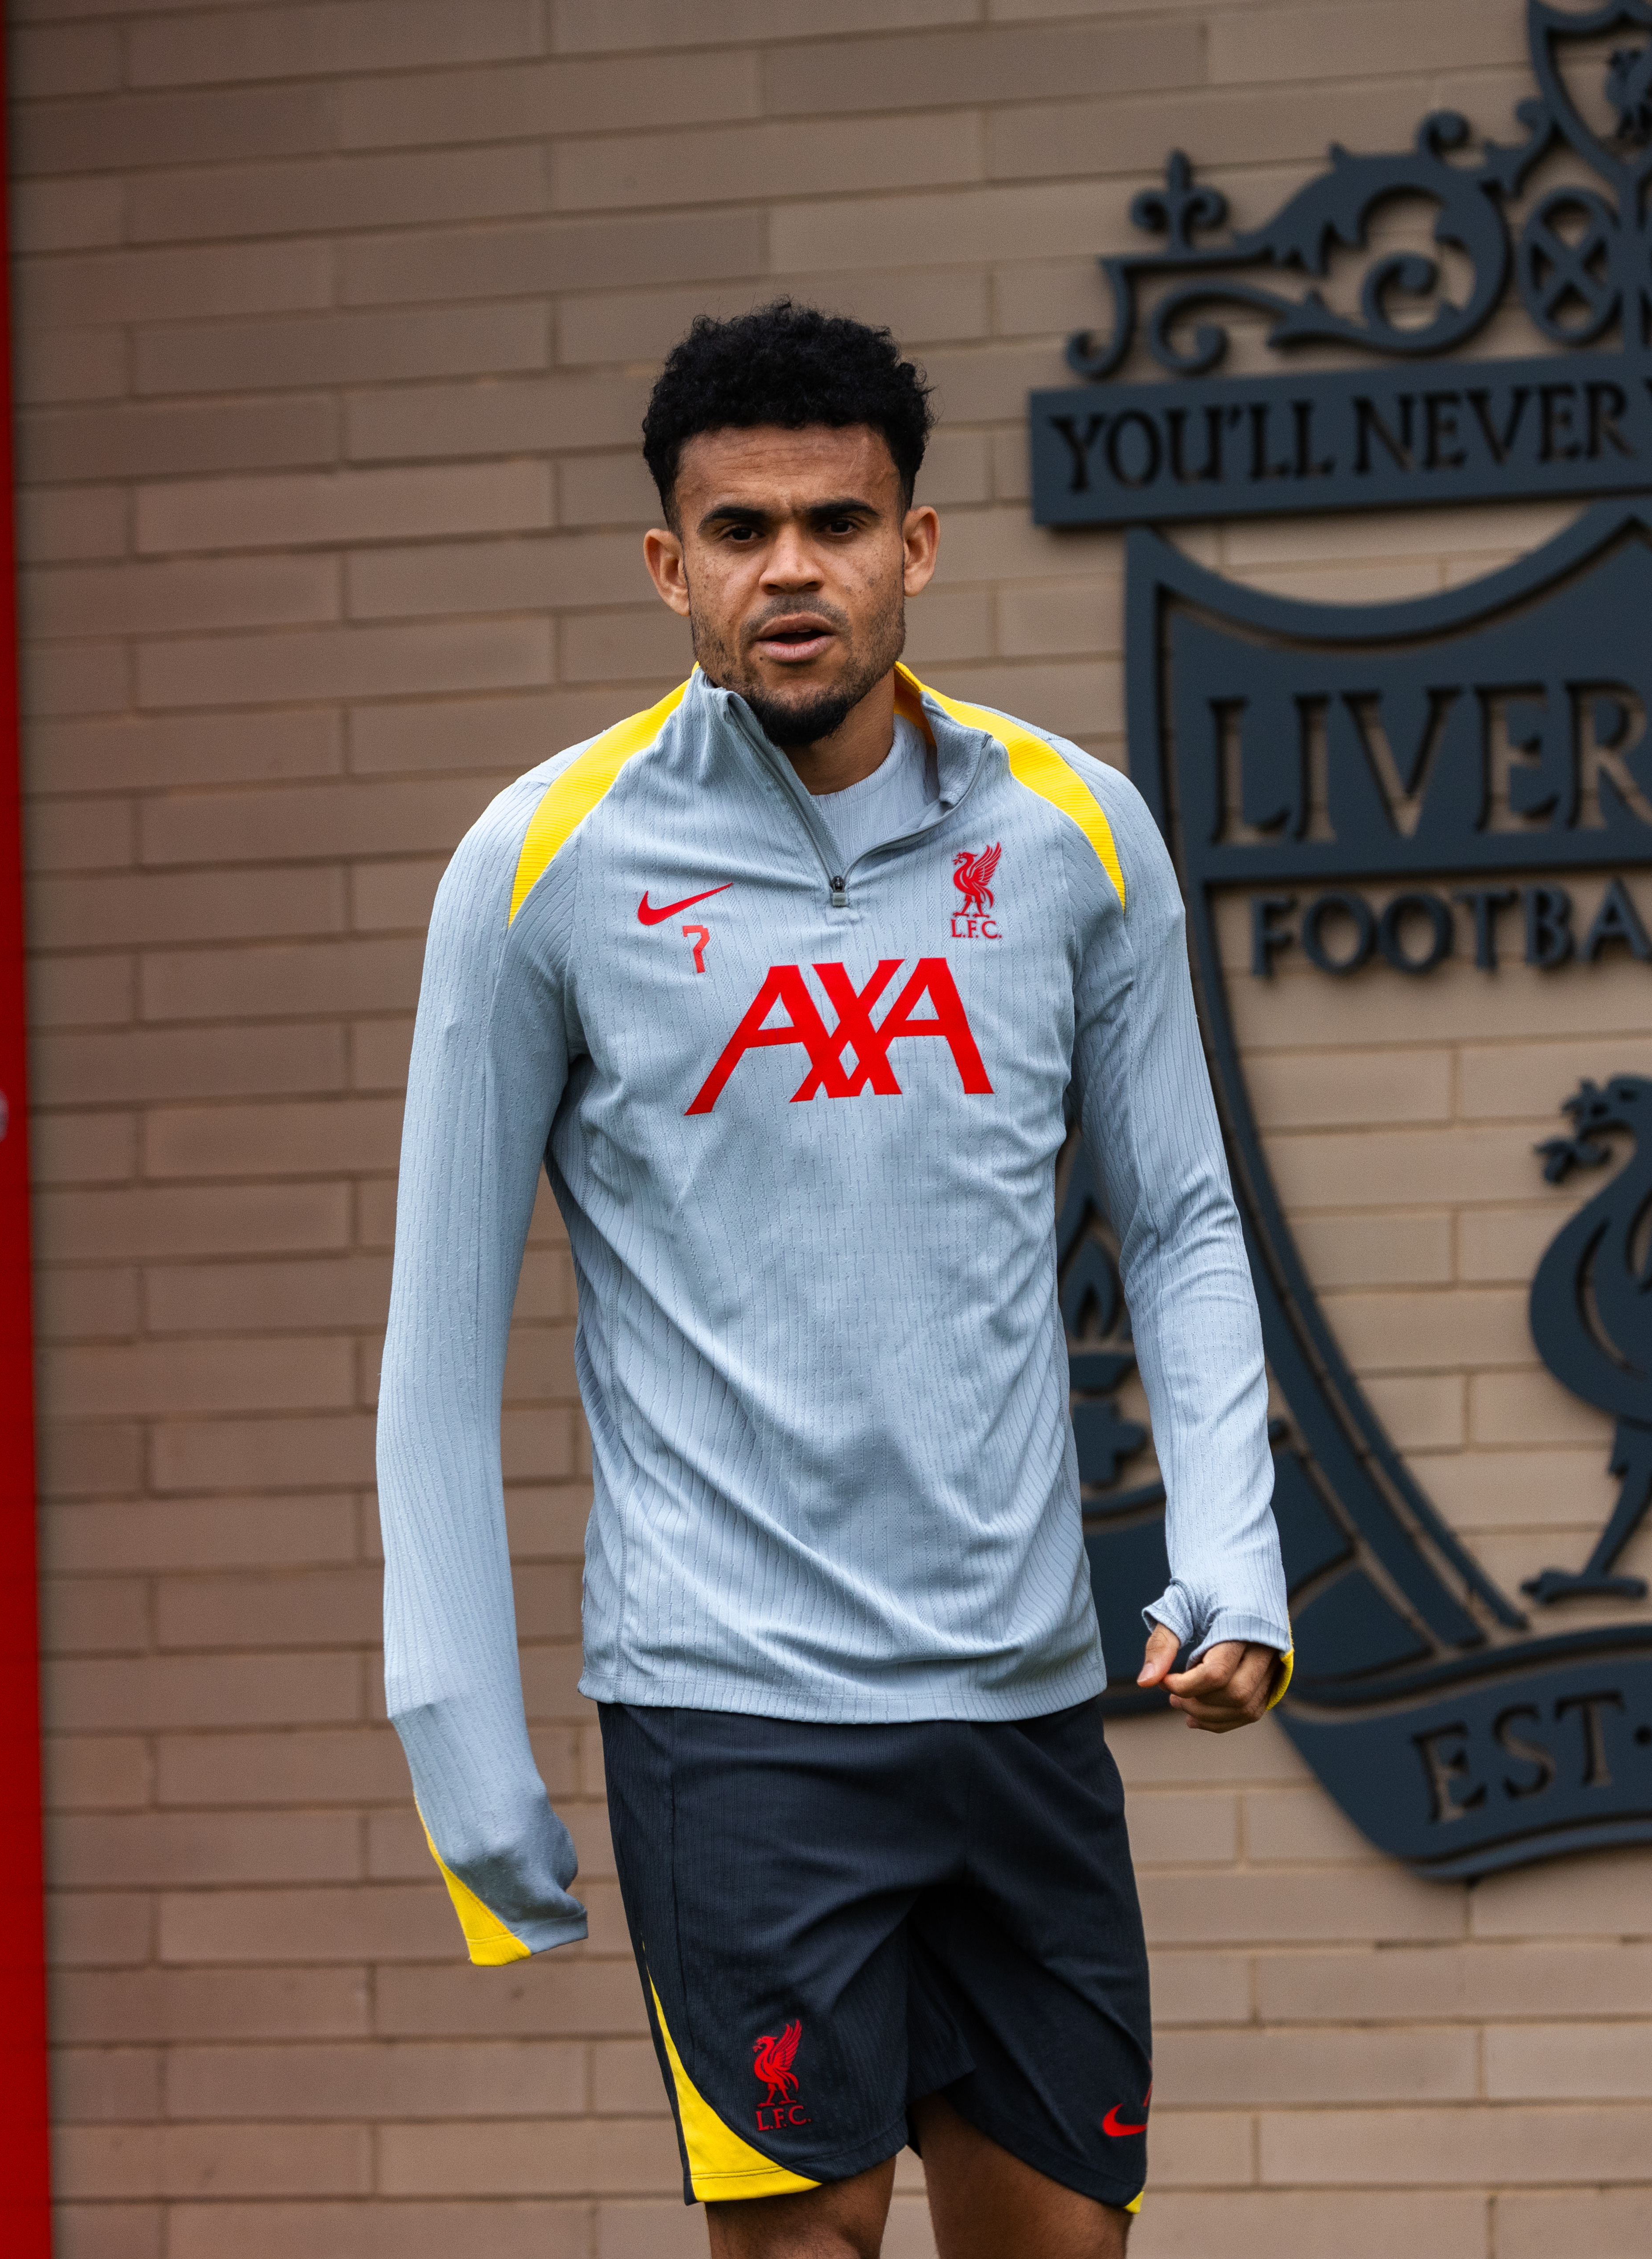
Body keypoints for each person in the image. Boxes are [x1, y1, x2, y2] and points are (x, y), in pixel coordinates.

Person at [375, 303, 1289, 2259]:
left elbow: (1188, 1224)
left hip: (1025, 1708)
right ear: (665, 566)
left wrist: (1234, 1551)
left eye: (833, 522)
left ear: (915, 545)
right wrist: (458, 1729)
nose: (788, 569)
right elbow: (438, 1345)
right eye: (737, 531)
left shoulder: (1076, 838)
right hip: (733, 1721)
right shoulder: (538, 864)